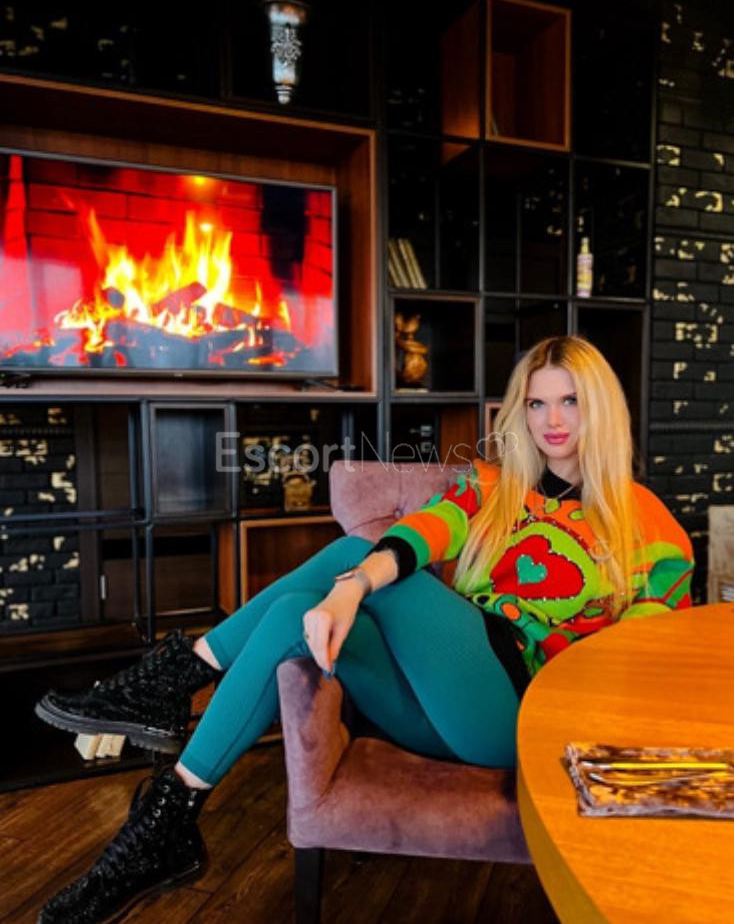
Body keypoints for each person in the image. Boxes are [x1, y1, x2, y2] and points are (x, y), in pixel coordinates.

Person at [34, 335, 694, 923]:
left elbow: (642, 656)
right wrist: (351, 589)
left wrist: (354, 586)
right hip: (430, 708)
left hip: (522, 714)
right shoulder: (492, 487)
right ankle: (167, 819)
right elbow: (425, 531)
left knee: (356, 557)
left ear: (601, 409)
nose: (552, 420)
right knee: (296, 612)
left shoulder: (647, 523)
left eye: (571, 401)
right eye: (537, 403)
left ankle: (178, 676)